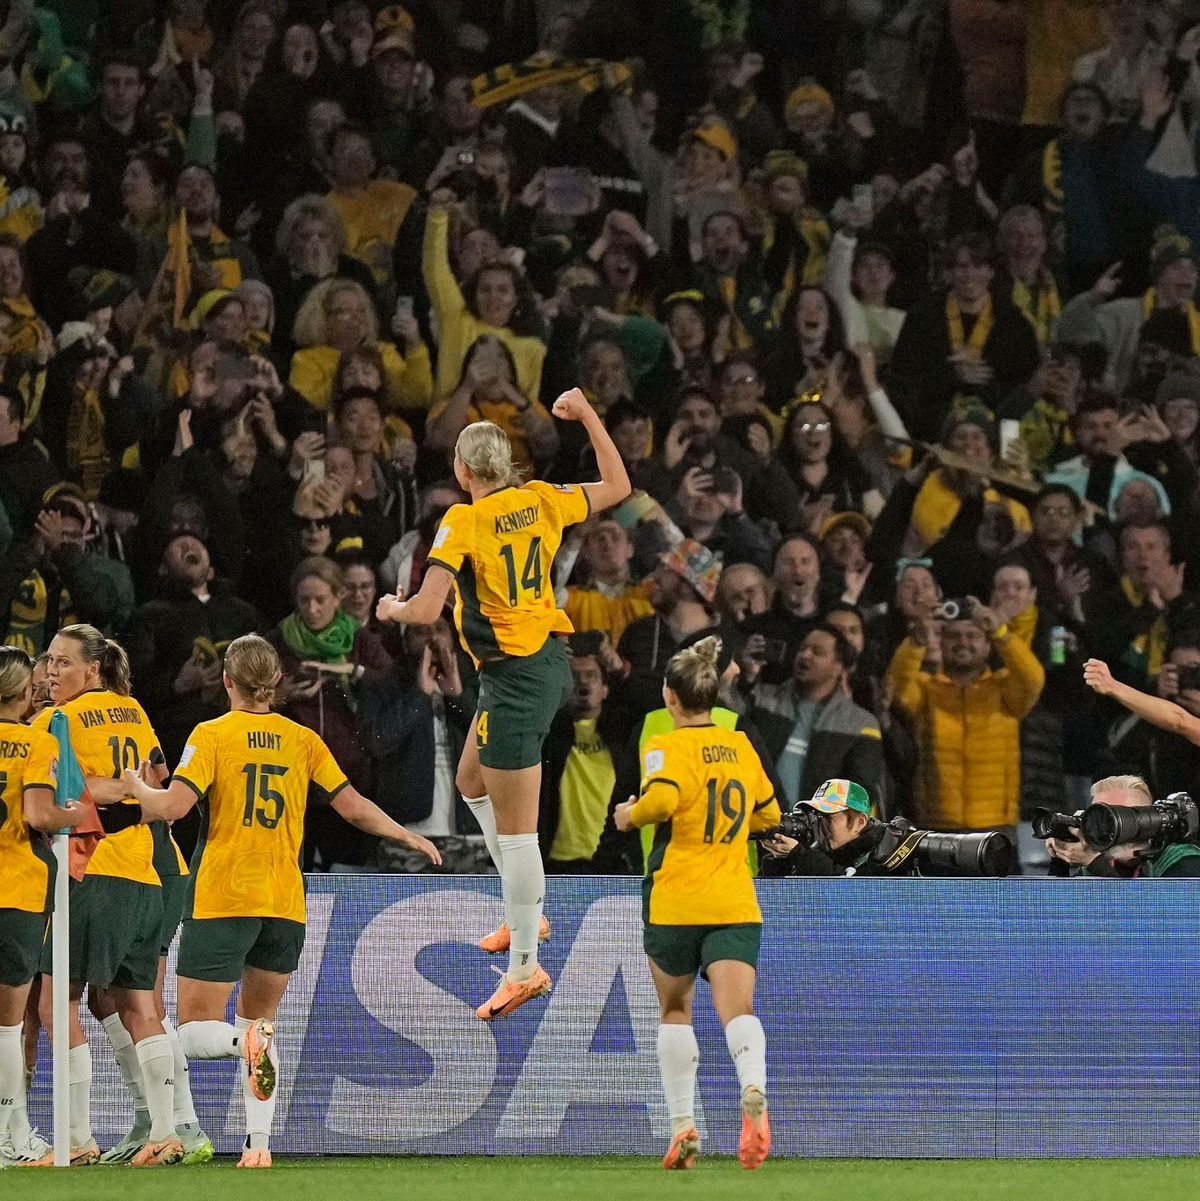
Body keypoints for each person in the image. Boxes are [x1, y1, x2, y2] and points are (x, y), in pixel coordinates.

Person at [121, 634, 441, 1168]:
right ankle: (258, 1147)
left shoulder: (212, 734)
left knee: (199, 1030)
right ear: (275, 684)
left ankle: (237, 1052)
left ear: (227, 681)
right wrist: (408, 836)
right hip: (285, 901)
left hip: (224, 895)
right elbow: (354, 806)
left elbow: (173, 808)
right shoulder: (302, 738)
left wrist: (138, 788)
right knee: (260, 1027)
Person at [375, 390, 630, 1020]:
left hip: (518, 679)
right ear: (507, 465)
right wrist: (587, 415)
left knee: (519, 839)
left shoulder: (462, 522)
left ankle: (525, 965)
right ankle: (526, 914)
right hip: (534, 664)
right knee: (470, 781)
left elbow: (428, 609)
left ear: (463, 473)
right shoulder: (540, 497)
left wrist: (394, 609)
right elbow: (619, 484)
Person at [612, 636, 779, 1172]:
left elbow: (660, 800)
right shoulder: (740, 745)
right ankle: (752, 1088)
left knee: (675, 1011)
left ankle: (682, 1126)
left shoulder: (664, 746)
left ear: (670, 696)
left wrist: (628, 816)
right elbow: (770, 817)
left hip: (676, 898)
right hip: (732, 897)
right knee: (738, 1012)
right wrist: (732, 833)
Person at [30, 626, 191, 1166]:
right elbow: (160, 782)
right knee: (137, 1005)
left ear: (92, 669)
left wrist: (111, 790)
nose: (52, 673)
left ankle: (76, 1138)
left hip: (90, 871)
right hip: (144, 873)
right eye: (48, 662)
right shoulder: (135, 710)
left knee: (58, 1003)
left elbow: (67, 790)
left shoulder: (60, 721)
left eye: (64, 664)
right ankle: (166, 1134)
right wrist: (130, 790)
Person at [0, 649, 88, 1158]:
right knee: (8, 1028)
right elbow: (37, 813)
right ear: (24, 693)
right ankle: (11, 1136)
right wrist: (69, 811)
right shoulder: (37, 741)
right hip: (15, 893)